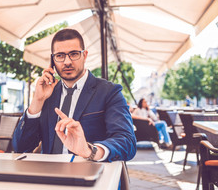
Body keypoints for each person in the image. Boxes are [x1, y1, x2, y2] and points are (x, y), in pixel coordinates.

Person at [12, 29, 136, 162]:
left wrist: (90, 151)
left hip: (91, 174)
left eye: (74, 54)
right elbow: (20, 147)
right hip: (49, 175)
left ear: (85, 55)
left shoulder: (109, 92)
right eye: (60, 56)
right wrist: (37, 101)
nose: (67, 62)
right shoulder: (47, 94)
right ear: (53, 60)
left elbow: (127, 142)